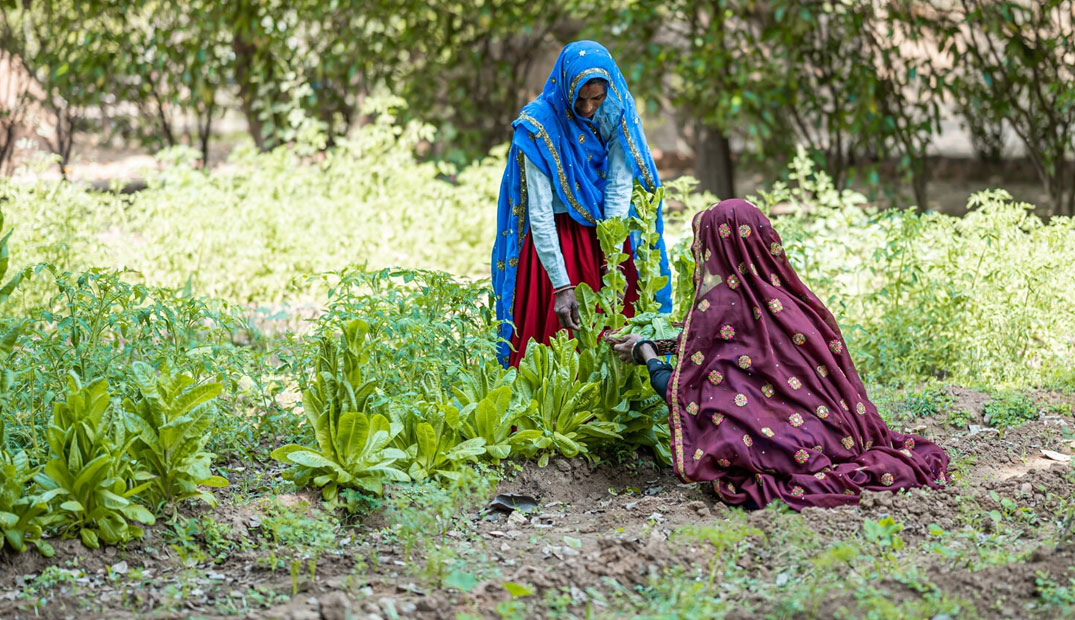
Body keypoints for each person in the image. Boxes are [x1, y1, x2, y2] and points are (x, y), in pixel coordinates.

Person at [607, 199, 950, 510]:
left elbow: (694, 399)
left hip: (789, 449)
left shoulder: (722, 310)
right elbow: (726, 349)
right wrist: (672, 343)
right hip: (843, 433)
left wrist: (648, 355)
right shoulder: (793, 302)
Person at [491, 40, 673, 368]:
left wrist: (614, 266)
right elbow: (541, 212)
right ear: (565, 87)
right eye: (581, 98)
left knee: (615, 344)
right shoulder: (539, 126)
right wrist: (561, 285)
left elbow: (618, 190)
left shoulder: (615, 113)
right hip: (555, 247)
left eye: (596, 99)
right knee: (553, 354)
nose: (588, 108)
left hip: (603, 238)